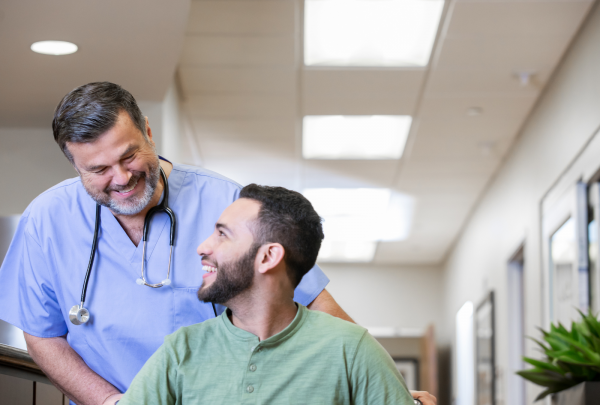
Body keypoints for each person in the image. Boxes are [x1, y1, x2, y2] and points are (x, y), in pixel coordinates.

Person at [0, 82, 436, 405]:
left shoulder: (227, 202)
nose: (121, 177)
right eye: (98, 169)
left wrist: (386, 386)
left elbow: (314, 305)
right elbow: (42, 333)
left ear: (149, 132)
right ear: (74, 164)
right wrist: (112, 404)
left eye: (129, 155)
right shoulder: (46, 220)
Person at [119, 184, 415, 405]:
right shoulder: (180, 350)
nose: (203, 247)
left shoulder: (352, 350)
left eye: (223, 234)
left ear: (268, 257)